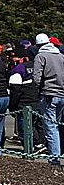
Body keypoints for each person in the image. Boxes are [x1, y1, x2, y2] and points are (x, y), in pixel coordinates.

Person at [33, 32, 64, 165]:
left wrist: (38, 89)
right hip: (61, 94)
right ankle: (57, 154)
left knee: (50, 127)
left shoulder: (41, 56)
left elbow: (36, 77)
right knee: (57, 125)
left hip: (48, 94)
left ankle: (54, 159)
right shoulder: (61, 56)